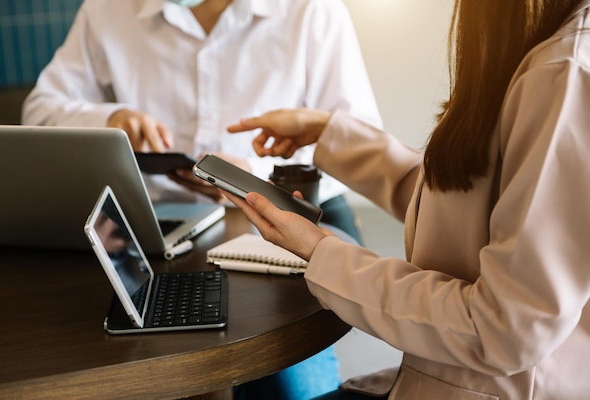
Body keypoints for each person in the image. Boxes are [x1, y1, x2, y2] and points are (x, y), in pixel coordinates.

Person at [224, 0, 590, 398]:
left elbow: (504, 329)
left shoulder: (564, 73)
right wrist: (330, 133)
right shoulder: (543, 52)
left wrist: (323, 252)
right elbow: (468, 200)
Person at [21, 0, 383, 398]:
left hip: (277, 223)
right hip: (154, 227)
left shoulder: (312, 11)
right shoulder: (107, 9)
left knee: (289, 386)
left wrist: (247, 179)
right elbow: (38, 112)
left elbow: (358, 147)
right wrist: (110, 118)